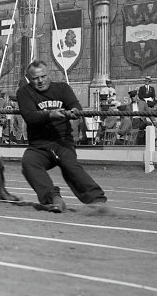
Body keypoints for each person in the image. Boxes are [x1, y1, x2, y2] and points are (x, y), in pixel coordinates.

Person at [18, 61, 109, 214]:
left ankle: (96, 200)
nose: (40, 81)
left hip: (62, 141)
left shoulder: (62, 88)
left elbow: (76, 106)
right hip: (39, 145)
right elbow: (30, 117)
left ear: (49, 75)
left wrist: (74, 112)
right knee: (28, 163)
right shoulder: (24, 92)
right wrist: (50, 115)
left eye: (43, 76)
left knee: (70, 166)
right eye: (35, 78)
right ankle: (53, 198)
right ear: (29, 78)